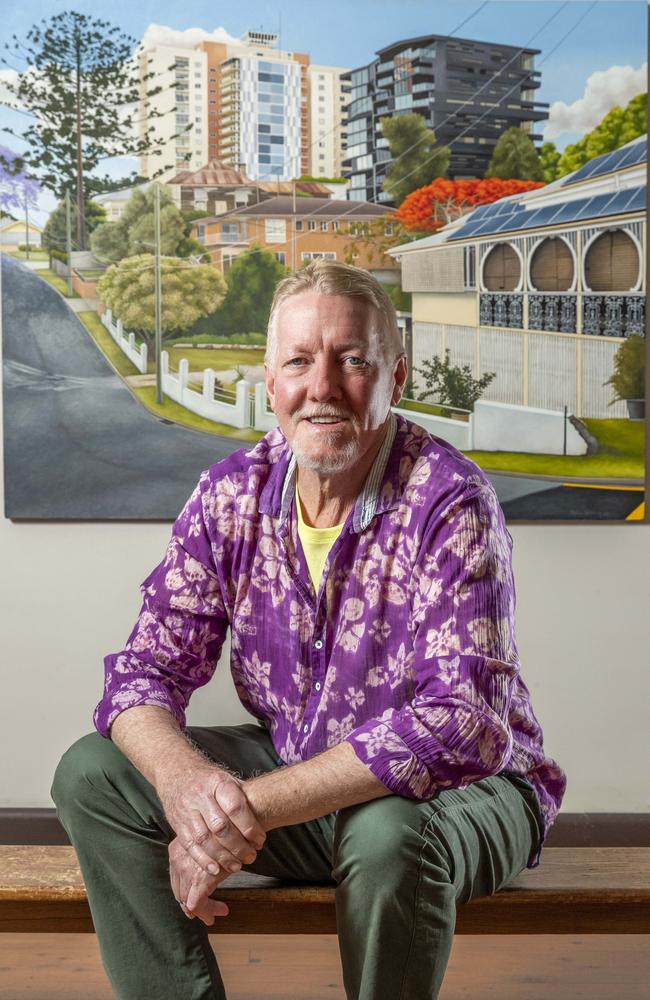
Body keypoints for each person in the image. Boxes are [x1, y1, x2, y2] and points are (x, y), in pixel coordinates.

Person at [52, 259, 566, 1000]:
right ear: (271, 383)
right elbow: (142, 673)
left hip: (465, 797)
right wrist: (188, 787)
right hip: (304, 776)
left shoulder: (450, 499)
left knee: (386, 834)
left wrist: (240, 811)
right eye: (299, 361)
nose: (321, 387)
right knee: (92, 773)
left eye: (351, 360)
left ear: (397, 375)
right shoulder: (231, 493)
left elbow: (464, 724)